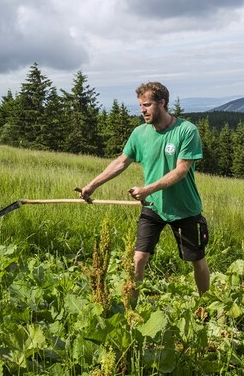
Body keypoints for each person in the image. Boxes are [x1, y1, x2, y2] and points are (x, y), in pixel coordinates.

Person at [79, 81, 210, 295]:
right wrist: (92, 185)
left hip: (185, 209)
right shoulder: (140, 134)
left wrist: (147, 189)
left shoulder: (186, 131)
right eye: (140, 105)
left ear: (162, 102)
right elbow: (121, 162)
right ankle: (132, 306)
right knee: (138, 258)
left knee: (197, 261)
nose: (142, 110)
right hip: (153, 206)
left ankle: (205, 302)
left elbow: (181, 170)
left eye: (147, 105)